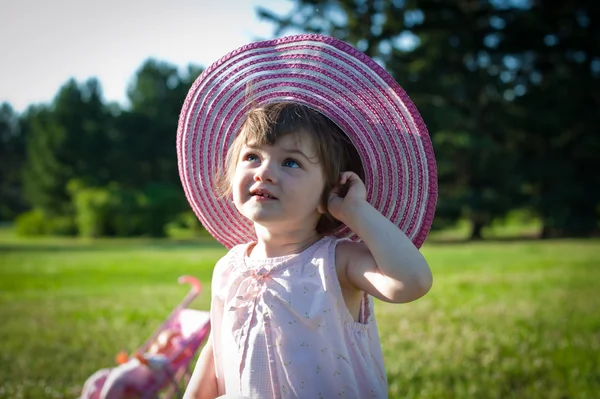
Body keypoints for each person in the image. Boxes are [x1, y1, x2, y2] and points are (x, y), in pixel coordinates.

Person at [177, 34, 438, 399]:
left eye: (291, 162)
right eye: (252, 157)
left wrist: (355, 210)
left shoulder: (336, 261)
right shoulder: (228, 268)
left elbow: (412, 282)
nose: (264, 172)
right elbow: (216, 352)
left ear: (328, 192)